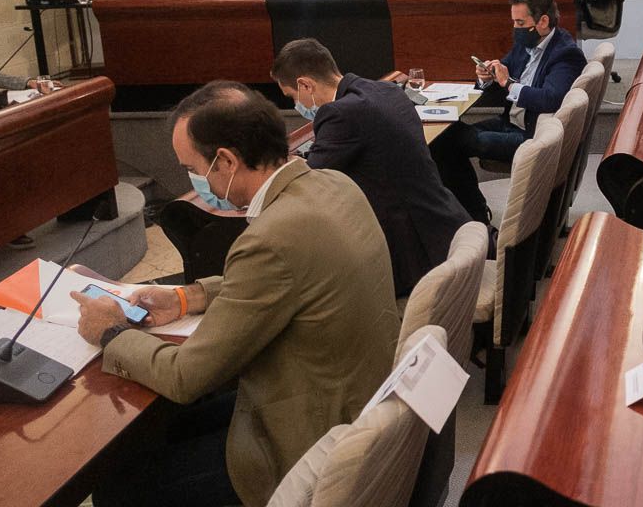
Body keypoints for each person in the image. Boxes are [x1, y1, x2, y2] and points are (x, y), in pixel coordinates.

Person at [71, 81, 399, 507]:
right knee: (164, 430)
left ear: (225, 160)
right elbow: (290, 277)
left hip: (306, 442)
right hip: (349, 407)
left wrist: (112, 332)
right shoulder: (334, 184)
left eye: (192, 168)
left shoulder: (271, 238)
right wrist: (188, 297)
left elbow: (185, 377)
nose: (193, 180)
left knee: (120, 484)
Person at [271, 38, 470, 297]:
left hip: (412, 256)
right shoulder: (387, 90)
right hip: (444, 225)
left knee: (313, 284)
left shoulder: (339, 114)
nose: (296, 105)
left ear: (305, 84)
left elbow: (309, 181)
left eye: (292, 96)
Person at [430, 0, 586, 224]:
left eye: (520, 23)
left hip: (531, 135)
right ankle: (473, 213)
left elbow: (551, 99)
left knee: (449, 141)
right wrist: (487, 77)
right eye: (513, 22)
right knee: (445, 136)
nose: (515, 28)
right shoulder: (526, 45)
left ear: (543, 21)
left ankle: (474, 217)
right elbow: (502, 75)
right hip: (511, 122)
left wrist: (508, 84)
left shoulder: (565, 53)